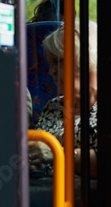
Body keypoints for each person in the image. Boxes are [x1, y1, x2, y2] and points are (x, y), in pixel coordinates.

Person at [28, 19, 98, 180]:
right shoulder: (54, 106)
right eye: (50, 63)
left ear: (87, 61)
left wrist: (56, 153)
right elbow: (38, 152)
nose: (51, 71)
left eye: (58, 61)